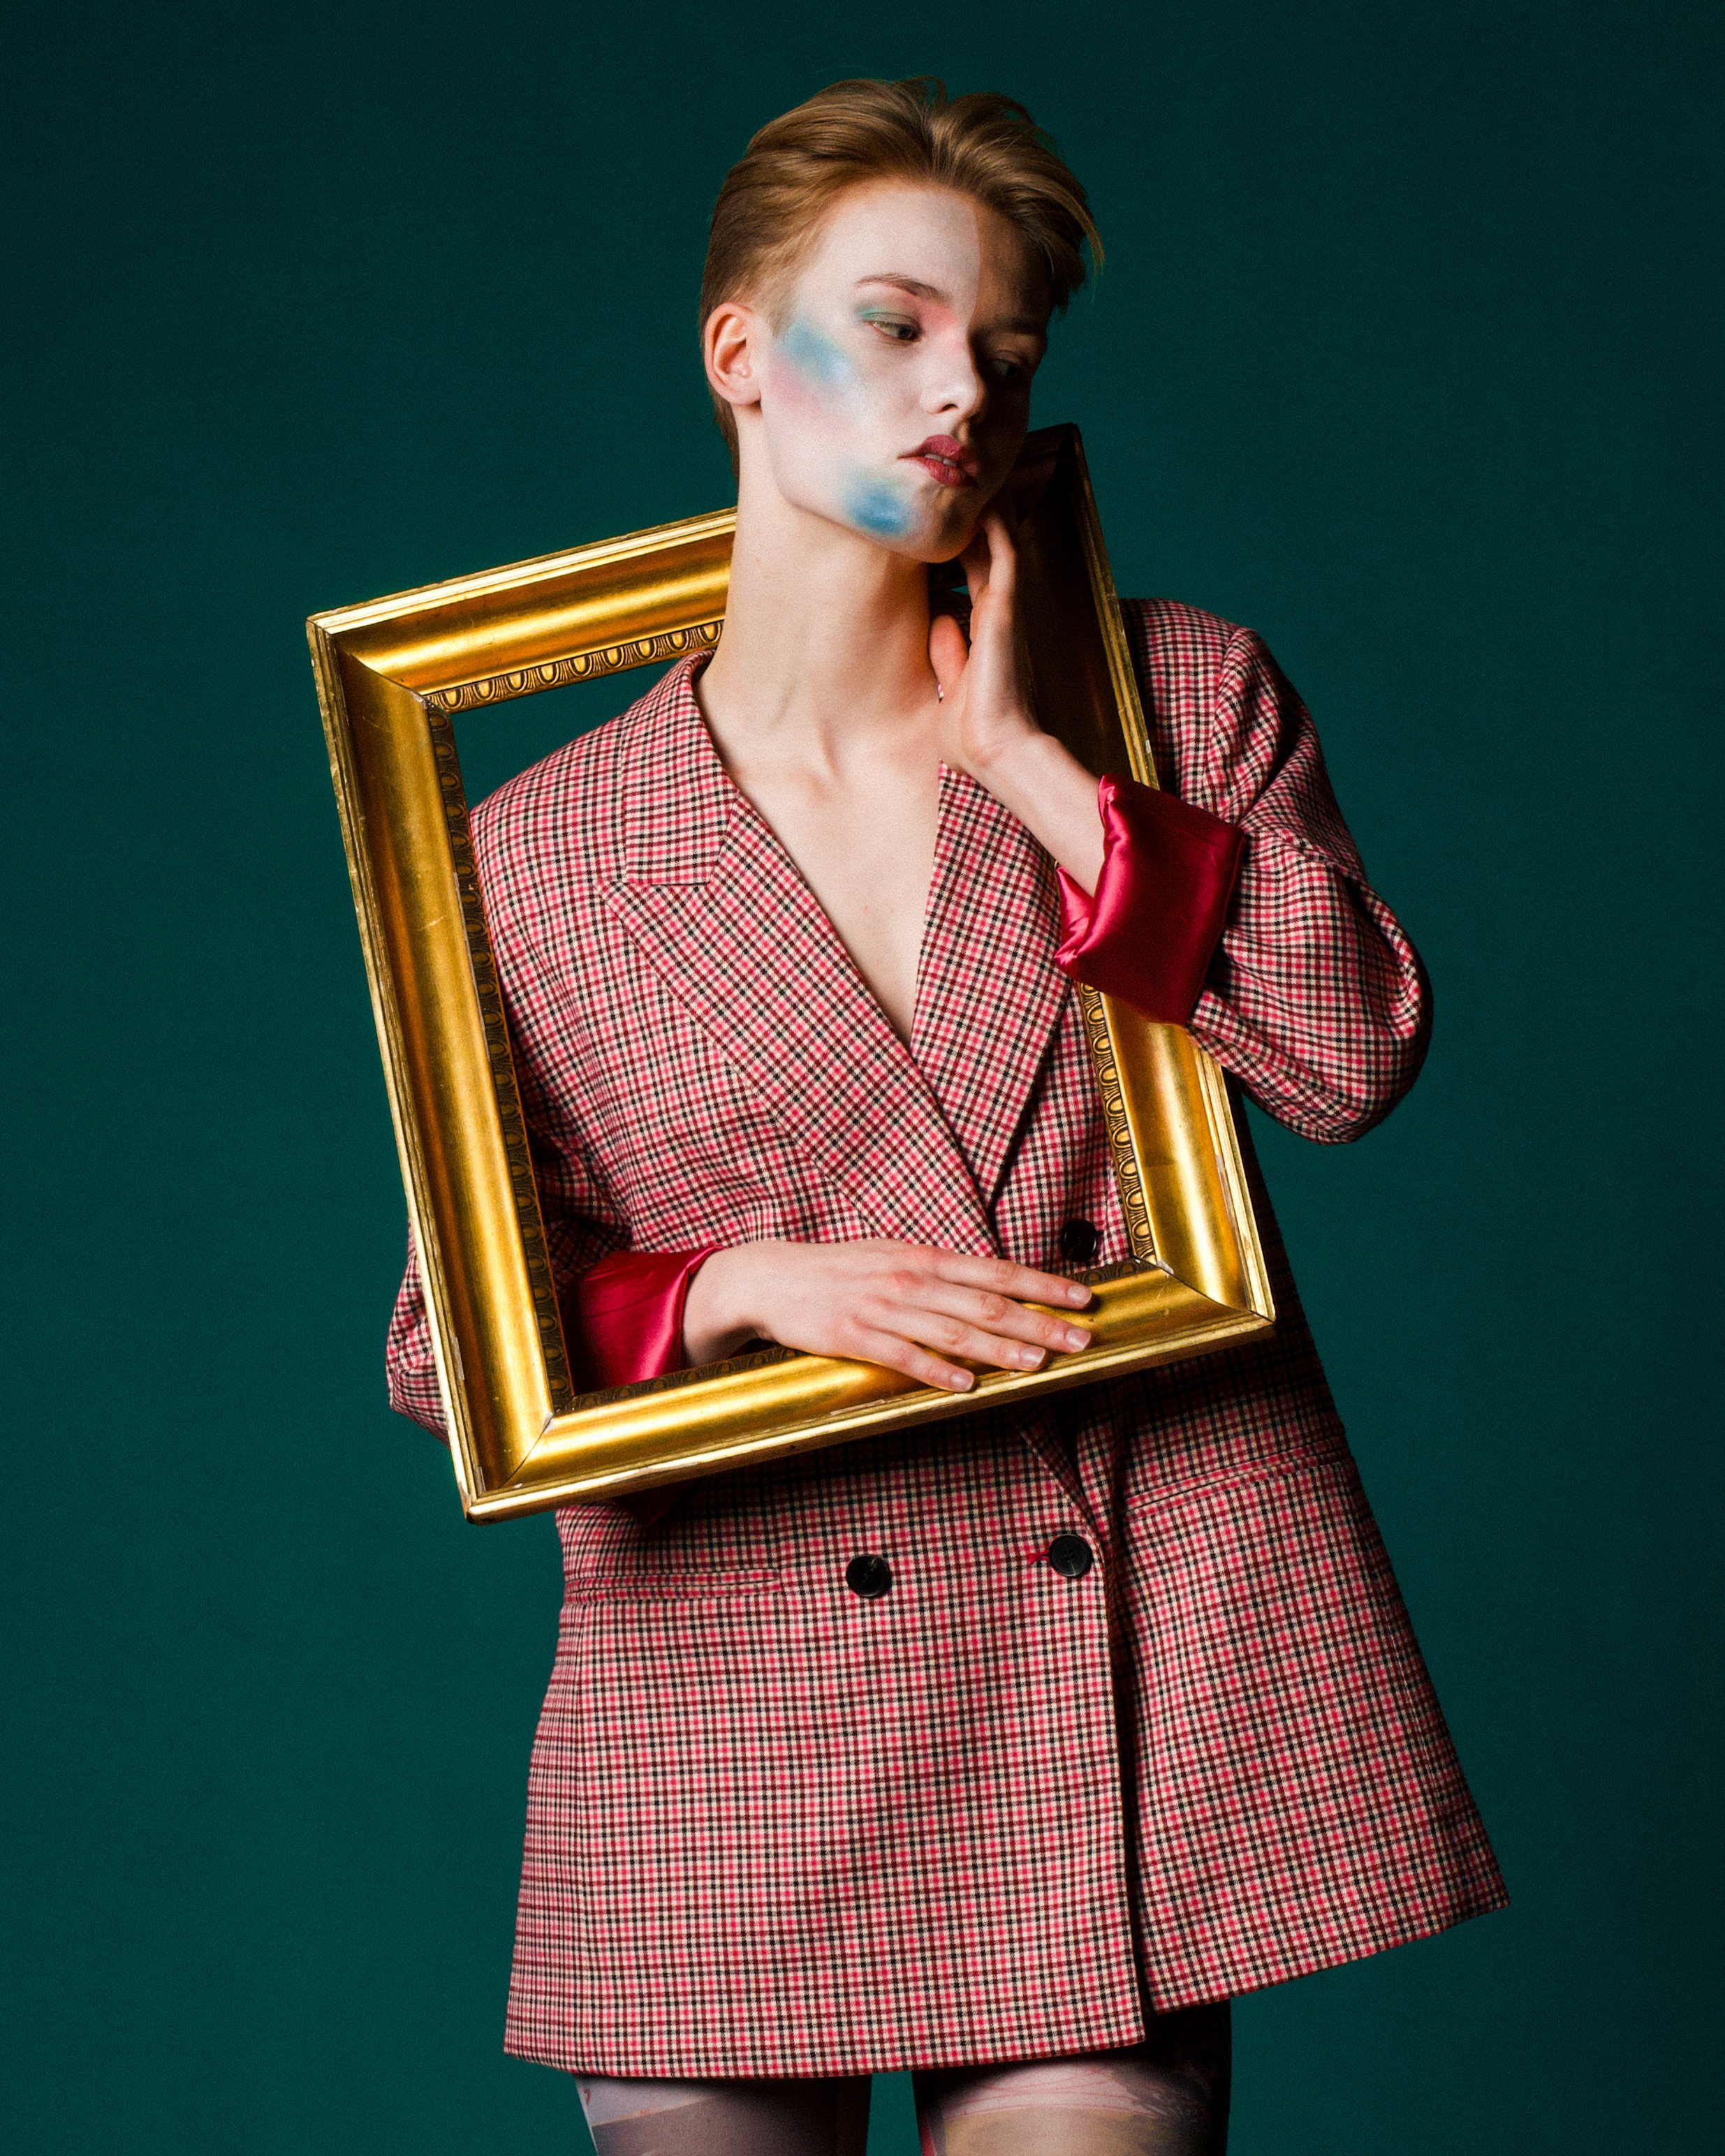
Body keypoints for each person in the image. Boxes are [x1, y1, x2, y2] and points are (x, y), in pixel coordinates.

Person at [385, 77, 1506, 2155]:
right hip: (728, 1721)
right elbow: (444, 1348)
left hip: (1113, 1684)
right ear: (737, 351)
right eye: (893, 325)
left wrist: (1043, 776)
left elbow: (1351, 1056)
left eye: (1003, 348)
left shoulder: (1170, 695)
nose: (959, 393)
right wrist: (742, 1287)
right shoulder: (532, 851)